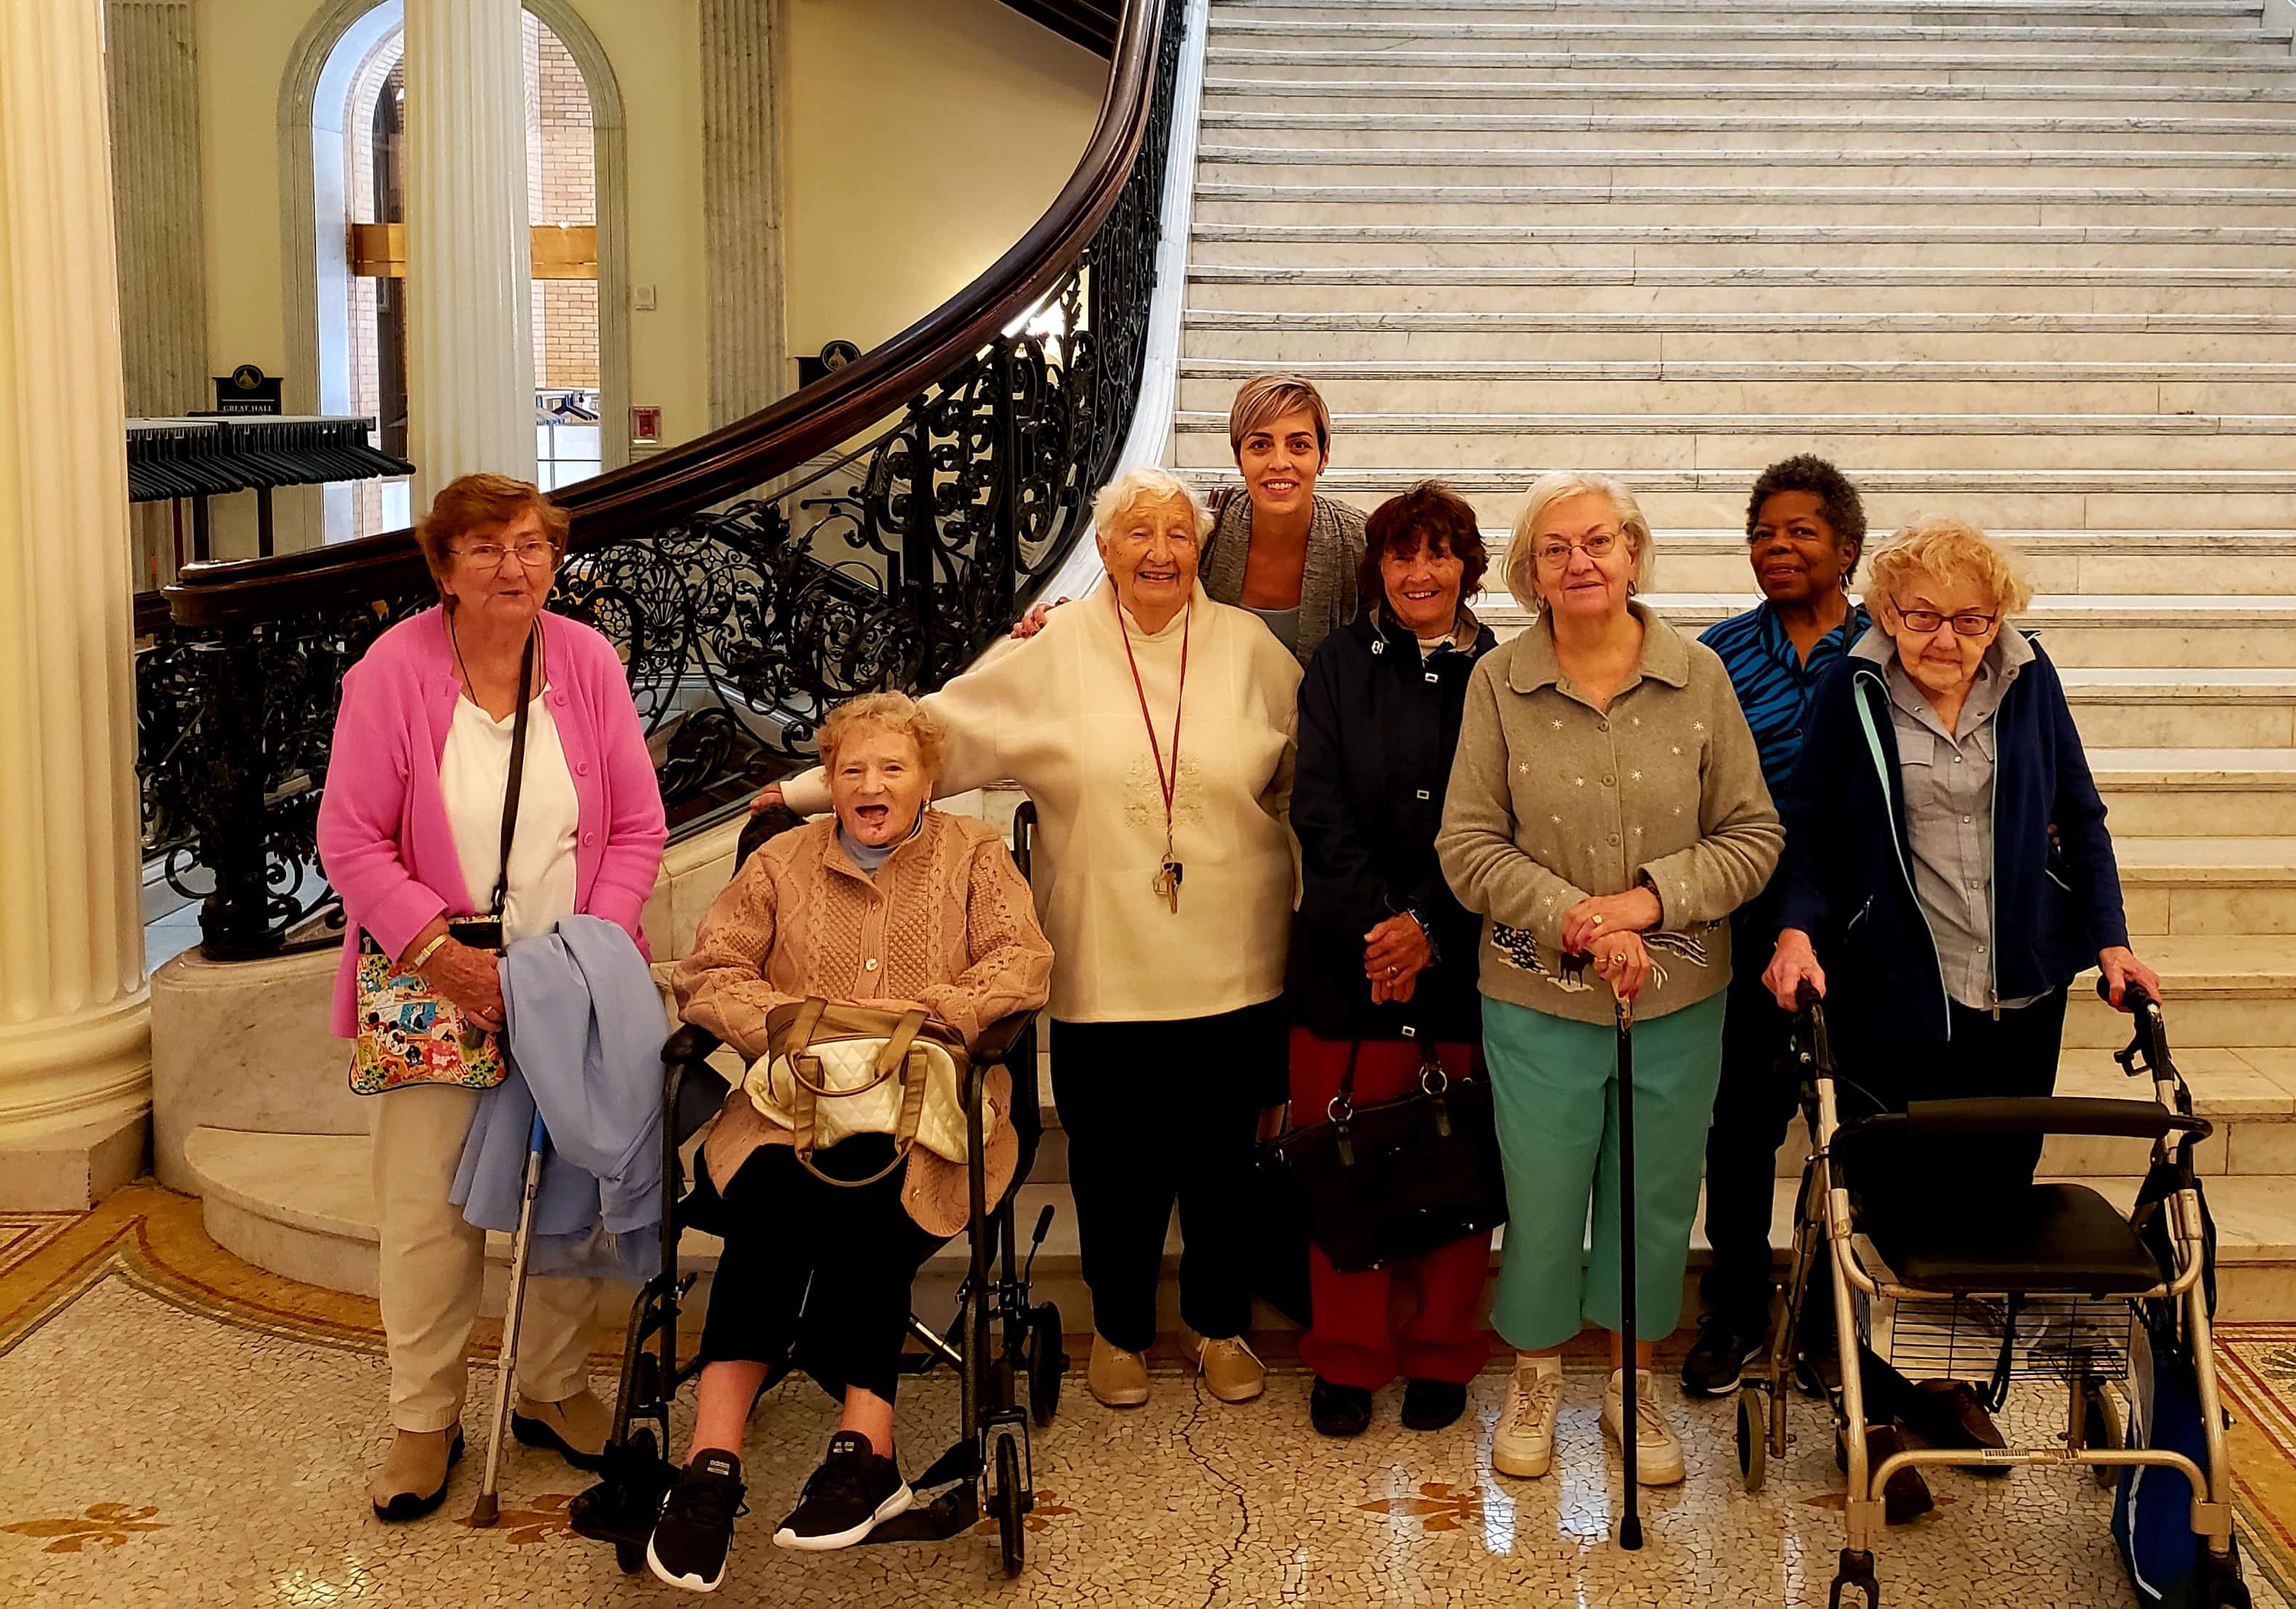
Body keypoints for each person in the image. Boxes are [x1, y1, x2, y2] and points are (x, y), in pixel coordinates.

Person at [756, 466, 1302, 1411]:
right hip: (1103, 960)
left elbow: (1303, 784)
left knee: (1222, 1162)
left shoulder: (1254, 651)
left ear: (1201, 550)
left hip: (1238, 960)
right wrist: (811, 789)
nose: (1160, 552)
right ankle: (1121, 1329)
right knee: (1114, 1163)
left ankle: (1219, 1324)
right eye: (1139, 534)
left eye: (1178, 534)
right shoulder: (1054, 648)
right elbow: (937, 731)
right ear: (1105, 549)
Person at [1762, 516, 2163, 1501]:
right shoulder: (1853, 688)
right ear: (1886, 610)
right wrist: (1797, 932)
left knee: (1992, 1196)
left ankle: (1949, 1382)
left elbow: (2083, 814)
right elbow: (1809, 831)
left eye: (1971, 619)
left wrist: (2109, 938)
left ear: (1999, 618)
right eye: (1922, 616)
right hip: (1896, 986)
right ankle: (1877, 1398)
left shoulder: (2029, 679)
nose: (1946, 637)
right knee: (1891, 1195)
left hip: (2019, 988)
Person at [315, 472, 668, 1522]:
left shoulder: (588, 660)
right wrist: (447, 960)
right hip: (437, 978)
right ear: (444, 568)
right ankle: (425, 1417)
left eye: (531, 545)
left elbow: (638, 828)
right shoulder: (391, 670)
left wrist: (587, 952)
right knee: (428, 1208)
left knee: (573, 1188)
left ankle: (552, 1385)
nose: (514, 567)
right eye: (485, 548)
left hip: (573, 976)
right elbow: (350, 840)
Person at [647, 693, 1054, 1587]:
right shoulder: (780, 862)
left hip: (928, 1114)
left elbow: (1020, 964)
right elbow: (712, 971)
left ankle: (865, 1451)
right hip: (790, 1109)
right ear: (828, 783)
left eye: (893, 768)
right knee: (766, 1203)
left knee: (871, 1189)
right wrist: (793, 1026)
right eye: (853, 769)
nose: (872, 785)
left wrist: (918, 1018)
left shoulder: (975, 856)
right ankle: (710, 1466)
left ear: (927, 780)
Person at [1437, 471, 1782, 1488]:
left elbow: (1752, 834)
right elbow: (1467, 845)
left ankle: (1634, 1384)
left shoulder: (1698, 675)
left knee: (1655, 1197)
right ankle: (1536, 1378)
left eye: (1598, 541)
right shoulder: (1497, 682)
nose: (1579, 561)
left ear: (1633, 552)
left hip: (1678, 994)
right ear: (1530, 572)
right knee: (1543, 1194)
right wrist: (1579, 920)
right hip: (1536, 995)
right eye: (1556, 548)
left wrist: (1644, 905)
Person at [1288, 481, 1498, 1440]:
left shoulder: (1501, 671)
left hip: (1463, 958)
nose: (1420, 571)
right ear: (1376, 567)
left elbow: (1503, 821)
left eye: (1439, 552)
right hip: (1348, 958)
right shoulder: (1336, 664)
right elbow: (1318, 809)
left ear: (1467, 566)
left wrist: (1429, 927)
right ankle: (1348, 1356)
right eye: (1401, 553)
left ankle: (1443, 1347)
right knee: (1344, 1165)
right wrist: (1384, 933)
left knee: (1457, 1163)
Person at [1683, 456, 1872, 1400]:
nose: (1778, 547)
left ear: (1847, 546)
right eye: (1762, 533)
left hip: (1866, 923)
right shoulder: (1718, 656)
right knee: (1741, 1124)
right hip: (1750, 919)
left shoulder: (1890, 646)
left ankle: (1843, 1322)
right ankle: (1737, 1307)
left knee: (1862, 1130)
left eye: (1801, 531)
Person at [1014, 373, 1367, 664]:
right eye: (1260, 445)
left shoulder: (1361, 541)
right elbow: (1134, 593)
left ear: (1324, 456)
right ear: (1238, 458)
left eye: (1299, 445)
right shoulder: (1204, 531)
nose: (1279, 462)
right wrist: (1064, 619)